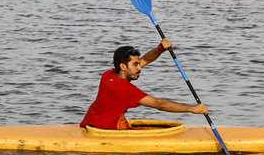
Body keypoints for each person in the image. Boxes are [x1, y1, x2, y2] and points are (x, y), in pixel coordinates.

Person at [80, 39, 209, 130]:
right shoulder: (125, 90)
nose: (140, 68)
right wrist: (192, 109)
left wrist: (160, 49)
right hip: (104, 132)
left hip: (89, 125)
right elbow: (159, 104)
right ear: (123, 66)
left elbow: (146, 59)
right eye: (135, 65)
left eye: (138, 64)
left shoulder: (108, 75)